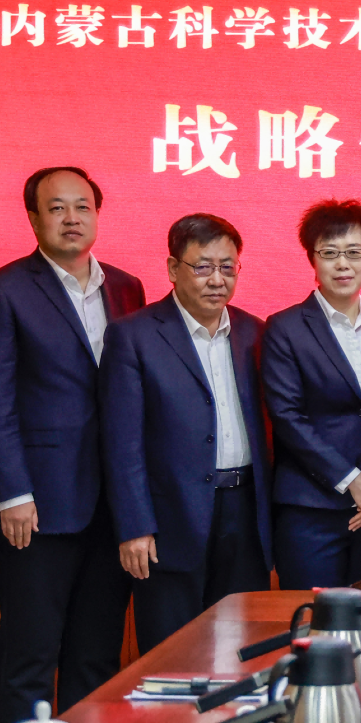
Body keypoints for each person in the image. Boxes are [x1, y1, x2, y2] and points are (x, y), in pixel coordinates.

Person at [0, 166, 147, 723]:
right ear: (34, 218)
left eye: (83, 206)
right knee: (30, 656)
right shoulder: (3, 289)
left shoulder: (126, 287)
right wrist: (13, 493)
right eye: (57, 208)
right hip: (37, 506)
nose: (72, 218)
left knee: (96, 655)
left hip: (113, 506)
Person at [102, 213, 273, 650]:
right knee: (172, 654)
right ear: (173, 268)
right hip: (170, 519)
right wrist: (134, 527)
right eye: (203, 267)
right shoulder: (133, 335)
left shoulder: (255, 332)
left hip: (244, 512)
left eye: (227, 267)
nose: (217, 279)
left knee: (239, 648)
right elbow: (122, 443)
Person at [263, 200, 361, 589]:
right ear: (312, 258)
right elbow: (287, 417)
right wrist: (353, 480)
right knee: (313, 619)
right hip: (310, 510)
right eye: (330, 253)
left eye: (354, 253)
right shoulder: (284, 328)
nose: (343, 264)